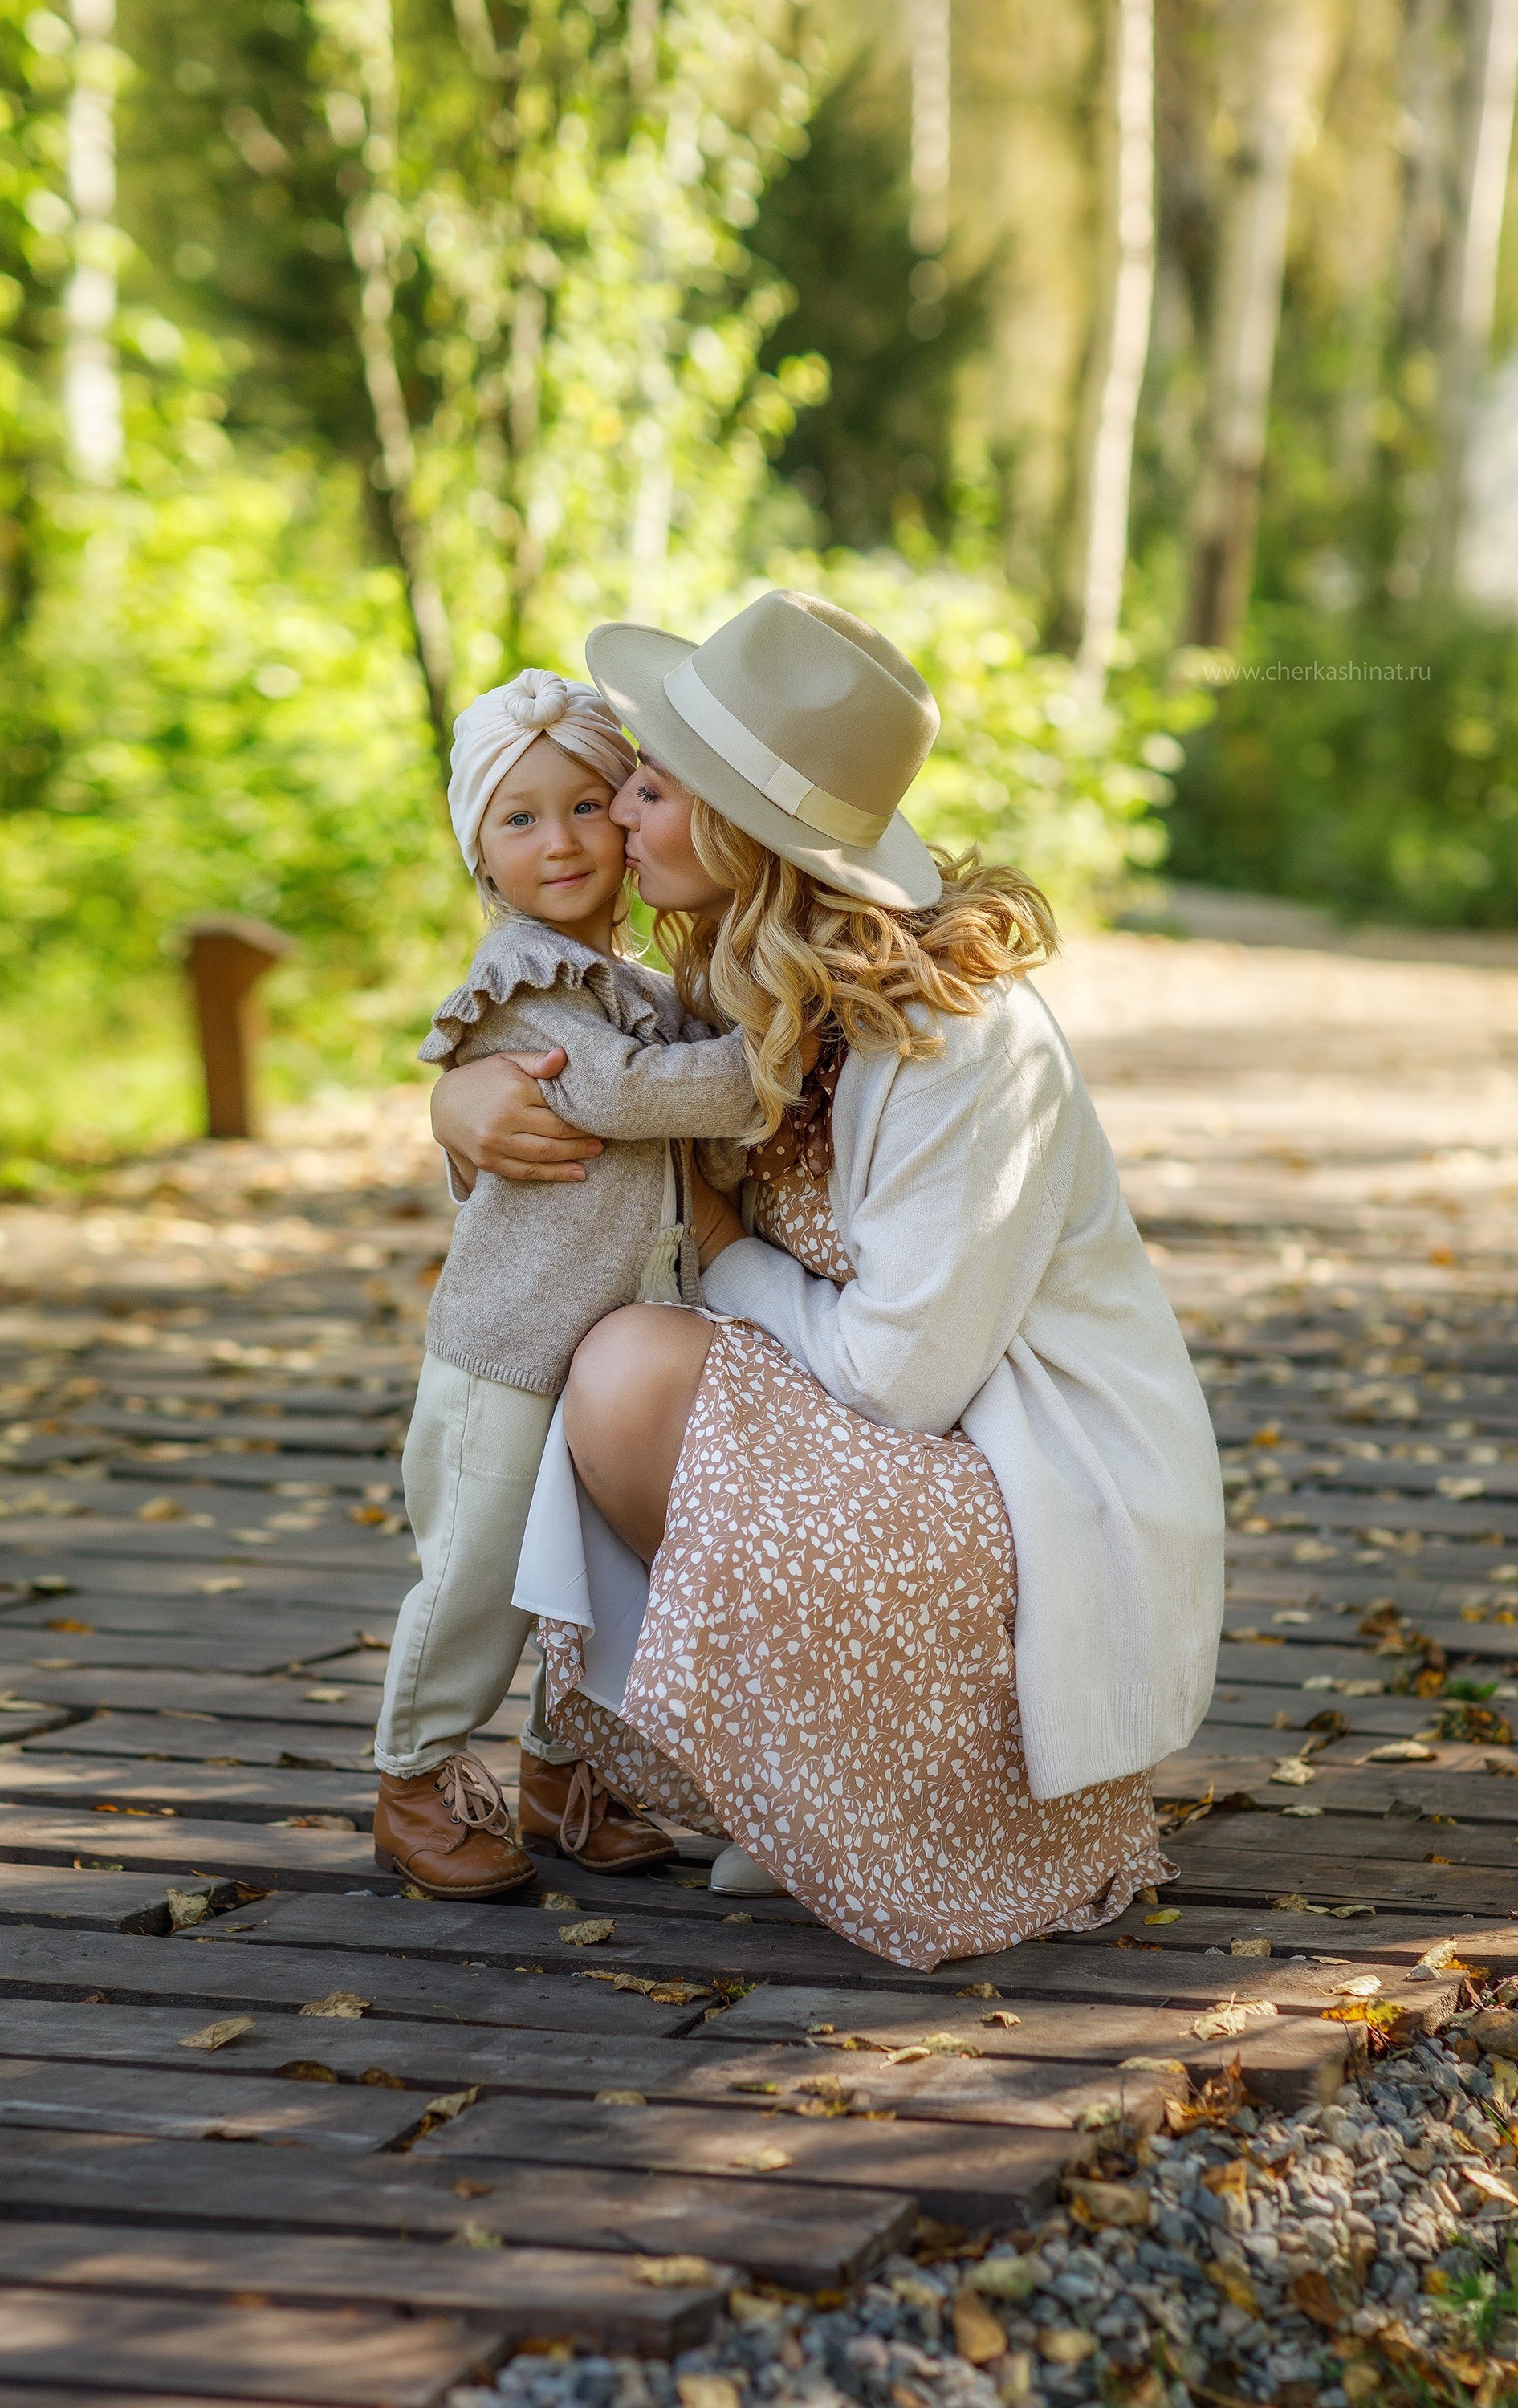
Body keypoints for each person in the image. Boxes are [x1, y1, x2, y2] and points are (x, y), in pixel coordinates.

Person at [433, 590, 1226, 1969]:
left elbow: (902, 1377)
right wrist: (457, 1106)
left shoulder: (955, 1040)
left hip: (1013, 1473)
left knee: (627, 1372)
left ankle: (911, 1797)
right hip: (868, 1430)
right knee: (611, 1353)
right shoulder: (737, 982)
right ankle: (786, 1779)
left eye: (649, 788)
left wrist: (730, 1258)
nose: (615, 817)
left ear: (742, 828)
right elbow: (570, 1079)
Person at [372, 667, 759, 1902]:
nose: (562, 841)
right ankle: (413, 1777)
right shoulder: (524, 982)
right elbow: (619, 1093)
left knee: (592, 1585)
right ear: (479, 852)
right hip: (508, 1352)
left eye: (590, 805)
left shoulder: (637, 986)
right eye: (520, 818)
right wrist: (780, 1050)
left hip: (608, 1358)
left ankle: (562, 1773)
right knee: (481, 1580)